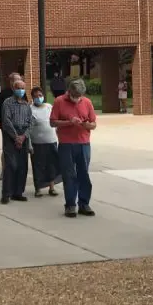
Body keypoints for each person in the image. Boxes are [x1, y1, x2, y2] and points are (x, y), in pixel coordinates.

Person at [50, 79, 97, 218]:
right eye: (75, 96)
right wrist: (68, 122)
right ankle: (70, 205)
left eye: (79, 96)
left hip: (84, 143)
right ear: (69, 92)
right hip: (66, 144)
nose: (77, 99)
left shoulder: (87, 102)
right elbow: (52, 122)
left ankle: (84, 203)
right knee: (69, 175)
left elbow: (94, 123)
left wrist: (88, 125)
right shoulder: (59, 101)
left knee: (84, 174)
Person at [0, 79, 32, 204]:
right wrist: (15, 137)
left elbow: (31, 122)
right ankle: (6, 193)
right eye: (18, 87)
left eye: (23, 88)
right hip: (11, 136)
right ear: (13, 89)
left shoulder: (26, 105)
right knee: (10, 165)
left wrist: (23, 136)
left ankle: (18, 192)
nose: (21, 90)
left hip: (24, 135)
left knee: (22, 166)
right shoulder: (7, 103)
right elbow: (6, 121)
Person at [29, 86, 61, 197]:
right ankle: (38, 188)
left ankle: (52, 187)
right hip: (37, 143)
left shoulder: (49, 107)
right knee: (38, 166)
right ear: (32, 98)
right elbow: (28, 129)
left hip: (51, 141)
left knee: (51, 165)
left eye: (40, 95)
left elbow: (55, 121)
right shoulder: (30, 109)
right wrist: (29, 144)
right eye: (36, 96)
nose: (38, 98)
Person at [0, 73, 21, 180]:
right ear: (11, 81)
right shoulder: (3, 94)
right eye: (17, 80)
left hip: (20, 127)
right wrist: (6, 120)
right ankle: (4, 171)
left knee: (19, 149)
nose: (19, 83)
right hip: (6, 127)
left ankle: (17, 170)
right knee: (7, 149)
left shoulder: (21, 94)